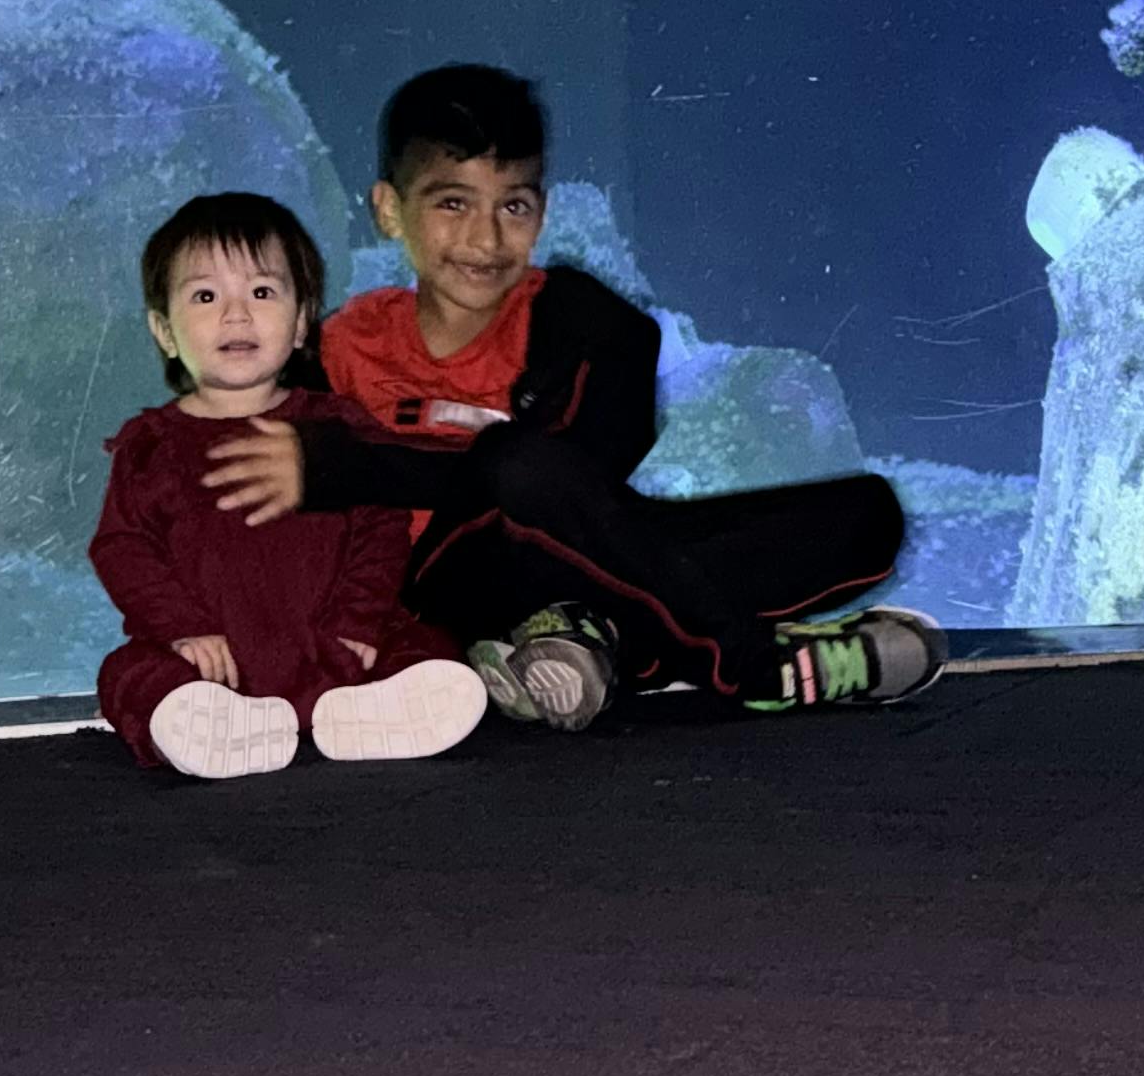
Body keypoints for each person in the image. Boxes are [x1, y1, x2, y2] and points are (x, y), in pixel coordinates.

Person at [197, 63, 945, 731]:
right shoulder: (334, 349)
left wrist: (343, 464)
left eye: (513, 207)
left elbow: (573, 481)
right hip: (438, 593)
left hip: (589, 558)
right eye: (452, 204)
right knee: (518, 470)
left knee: (865, 515)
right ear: (390, 210)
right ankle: (751, 666)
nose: (485, 239)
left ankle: (597, 641)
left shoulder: (592, 324)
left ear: (542, 213)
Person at [90, 190, 486, 782]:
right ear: (164, 331)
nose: (236, 315)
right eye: (205, 296)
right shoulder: (150, 446)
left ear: (301, 321)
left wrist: (357, 622)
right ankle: (204, 727)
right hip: (213, 666)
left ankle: (370, 715)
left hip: (339, 651)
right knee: (128, 676)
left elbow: (382, 528)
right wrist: (182, 629)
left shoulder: (338, 429)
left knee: (427, 647)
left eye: (262, 292)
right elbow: (123, 549)